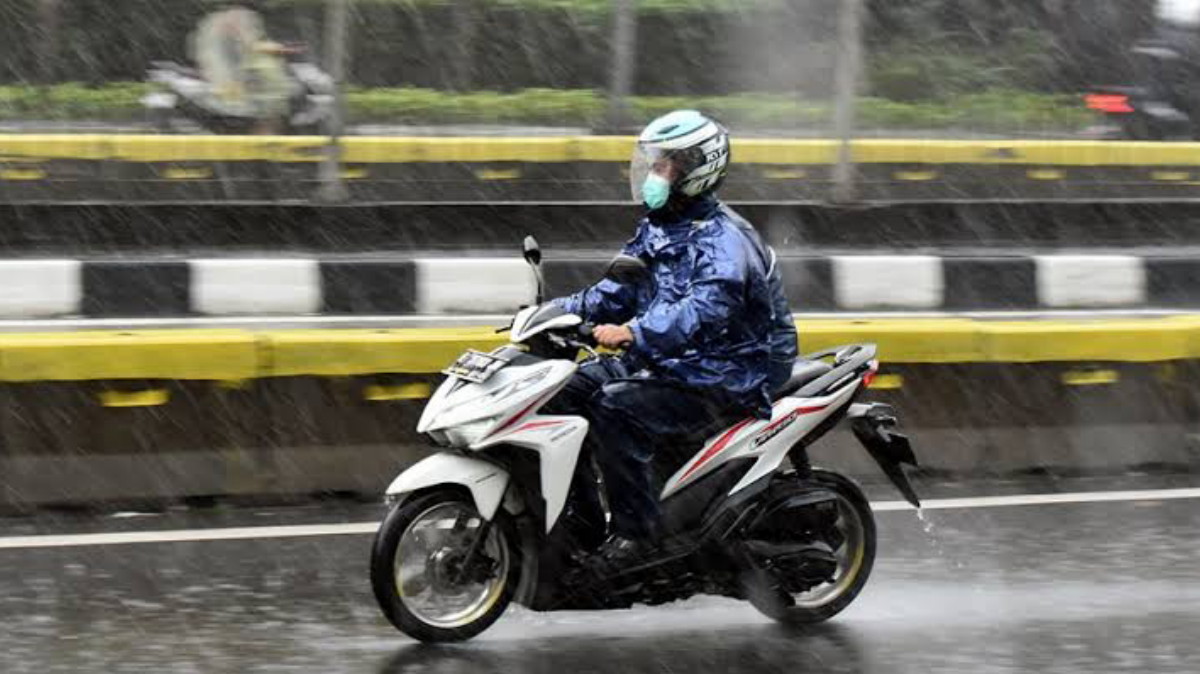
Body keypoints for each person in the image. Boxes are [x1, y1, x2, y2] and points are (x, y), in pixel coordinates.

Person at [545, 110, 798, 572]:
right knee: (564, 390)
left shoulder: (726, 241)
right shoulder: (661, 225)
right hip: (671, 359)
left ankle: (636, 538)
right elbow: (616, 290)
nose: (651, 174)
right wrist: (554, 314)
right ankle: (581, 524)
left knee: (615, 408)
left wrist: (635, 332)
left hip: (725, 369)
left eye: (664, 166)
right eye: (652, 163)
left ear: (697, 169)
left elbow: (703, 312)